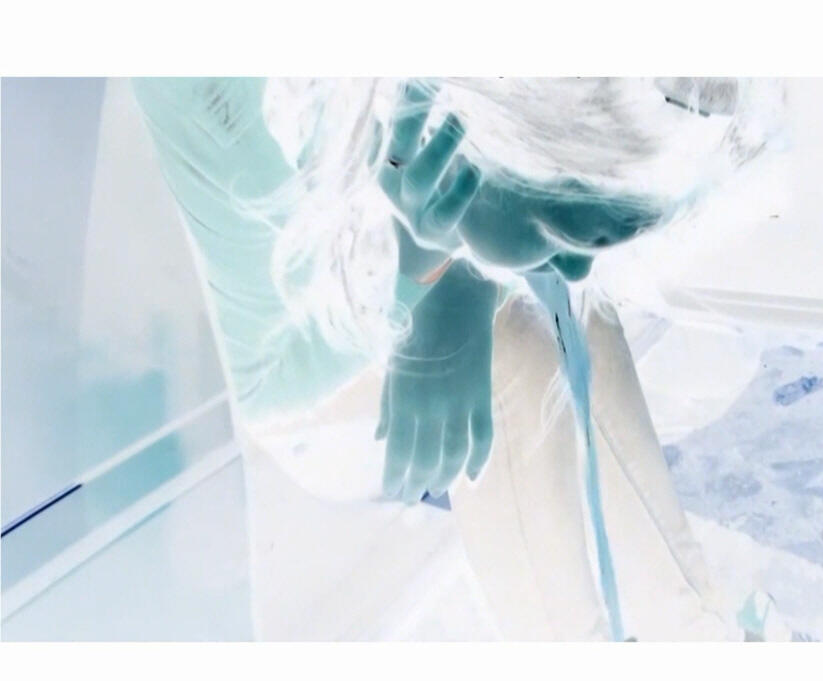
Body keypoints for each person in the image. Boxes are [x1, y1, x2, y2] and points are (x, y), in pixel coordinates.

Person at [135, 77, 784, 640]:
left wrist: (452, 273)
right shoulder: (247, 92)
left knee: (565, 296)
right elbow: (273, 377)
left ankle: (692, 633)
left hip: (400, 247)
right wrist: (431, 288)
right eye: (566, 234)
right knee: (518, 347)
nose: (581, 263)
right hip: (309, 396)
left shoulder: (434, 106)